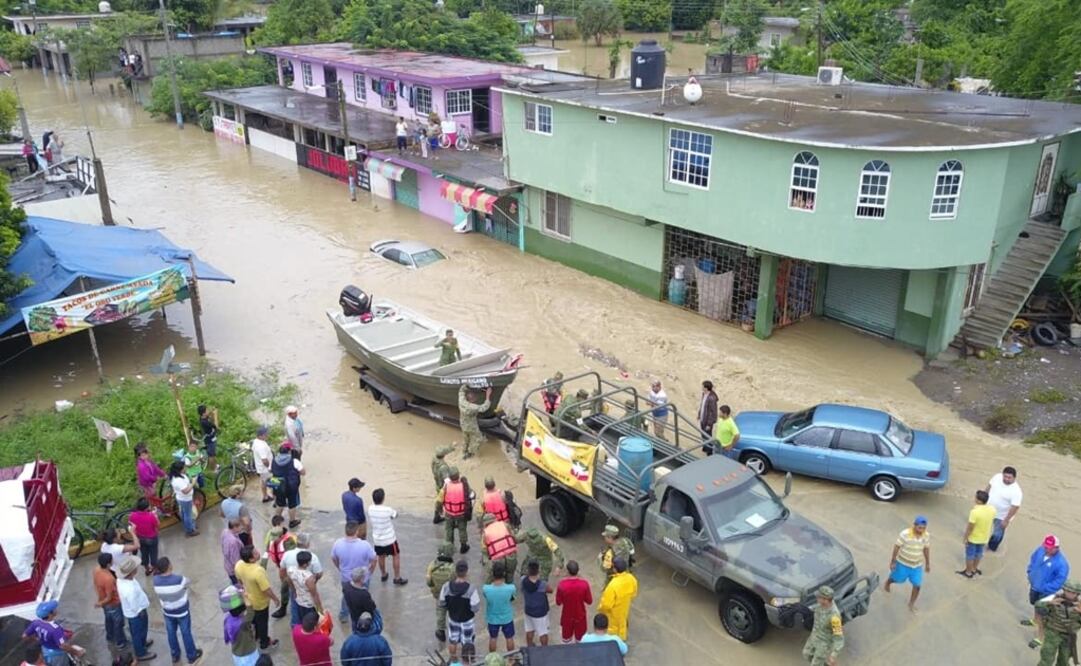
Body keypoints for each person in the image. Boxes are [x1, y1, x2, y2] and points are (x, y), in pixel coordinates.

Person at [152, 556, 203, 665]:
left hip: (167, 611)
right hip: (182, 611)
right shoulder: (179, 579)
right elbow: (188, 582)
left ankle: (175, 655)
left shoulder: (155, 580)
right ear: (169, 566)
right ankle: (192, 655)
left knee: (171, 633)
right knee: (186, 633)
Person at [1025, 534, 1071, 649]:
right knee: (1035, 604)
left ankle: (1041, 638)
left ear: (1057, 548)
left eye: (1049, 548)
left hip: (1046, 593)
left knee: (1044, 614)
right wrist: (1030, 572)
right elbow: (1033, 559)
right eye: (1045, 546)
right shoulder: (1040, 550)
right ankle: (1035, 620)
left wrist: (1045, 588)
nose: (1046, 549)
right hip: (1034, 586)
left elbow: (1059, 581)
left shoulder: (1062, 564)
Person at [234, 545, 280, 651]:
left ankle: (257, 636)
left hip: (248, 600)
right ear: (251, 559)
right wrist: (275, 599)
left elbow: (239, 582)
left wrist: (245, 591)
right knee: (263, 623)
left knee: (254, 620)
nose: (258, 553)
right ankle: (264, 642)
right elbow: (266, 589)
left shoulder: (238, 565)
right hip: (260, 603)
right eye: (255, 553)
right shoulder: (258, 571)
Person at [332, 521, 377, 624]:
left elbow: (333, 558)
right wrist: (370, 571)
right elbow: (374, 559)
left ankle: (344, 615)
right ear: (357, 531)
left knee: (346, 595)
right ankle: (363, 615)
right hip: (362, 577)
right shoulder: (365, 545)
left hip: (346, 577)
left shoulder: (338, 543)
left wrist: (340, 568)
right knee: (363, 595)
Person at [884, 515, 931, 612]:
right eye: (919, 527)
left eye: (923, 528)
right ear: (914, 525)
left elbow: (926, 549)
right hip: (902, 563)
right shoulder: (905, 534)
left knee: (917, 585)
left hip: (916, 566)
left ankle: (911, 603)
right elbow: (897, 547)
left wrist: (927, 563)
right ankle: (888, 582)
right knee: (897, 579)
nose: (921, 530)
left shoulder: (926, 535)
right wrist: (893, 561)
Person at [117, 557, 157, 661]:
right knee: (138, 632)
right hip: (136, 613)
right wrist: (140, 611)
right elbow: (134, 604)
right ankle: (140, 653)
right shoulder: (129, 590)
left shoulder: (122, 580)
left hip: (132, 611)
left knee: (139, 632)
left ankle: (142, 643)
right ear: (131, 572)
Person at [439, 560, 480, 663]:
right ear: (466, 572)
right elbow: (475, 607)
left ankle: (454, 662)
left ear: (455, 572)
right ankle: (467, 662)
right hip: (467, 621)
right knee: (467, 645)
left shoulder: (446, 587)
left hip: (453, 619)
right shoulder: (471, 589)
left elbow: (442, 603)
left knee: (453, 641)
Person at [22, 601, 87, 666]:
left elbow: (24, 636)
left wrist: (37, 639)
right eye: (53, 609)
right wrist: (77, 652)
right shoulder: (55, 629)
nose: (56, 610)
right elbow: (63, 646)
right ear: (50, 614)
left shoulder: (35, 623)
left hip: (45, 650)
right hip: (57, 654)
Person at [92, 552, 130, 662]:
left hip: (104, 602)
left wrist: (100, 599)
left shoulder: (96, 570)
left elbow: (95, 584)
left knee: (108, 620)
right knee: (118, 623)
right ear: (109, 564)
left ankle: (110, 636)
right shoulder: (109, 579)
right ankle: (120, 642)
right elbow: (110, 597)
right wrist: (101, 603)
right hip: (113, 603)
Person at [1035, 579, 1081, 666]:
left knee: (1064, 660)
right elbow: (1038, 604)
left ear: (1077, 594)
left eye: (1073, 592)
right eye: (1068, 591)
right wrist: (1050, 603)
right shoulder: (1055, 597)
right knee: (1046, 658)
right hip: (1052, 633)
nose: (1070, 594)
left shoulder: (1079, 604)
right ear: (1064, 590)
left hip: (1069, 636)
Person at [369, 487, 408, 585]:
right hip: (390, 539)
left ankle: (383, 574)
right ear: (383, 498)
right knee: (396, 555)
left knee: (381, 557)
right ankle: (397, 577)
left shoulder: (370, 509)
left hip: (377, 540)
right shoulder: (387, 510)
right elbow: (395, 515)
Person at [802, 586, 844, 666]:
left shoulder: (834, 617)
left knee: (816, 664)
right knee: (806, 654)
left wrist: (833, 655)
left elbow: (839, 639)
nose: (817, 598)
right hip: (814, 637)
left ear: (825, 600)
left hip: (823, 644)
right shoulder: (820, 605)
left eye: (819, 597)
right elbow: (815, 609)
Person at [597, 557, 637, 642]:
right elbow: (634, 593)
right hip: (624, 610)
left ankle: (614, 645)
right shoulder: (631, 578)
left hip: (613, 614)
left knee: (613, 630)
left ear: (615, 569)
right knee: (622, 626)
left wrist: (600, 609)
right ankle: (622, 641)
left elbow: (606, 605)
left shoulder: (612, 585)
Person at [959, 489, 995, 578]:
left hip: (974, 538)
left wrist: (965, 537)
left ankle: (968, 572)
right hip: (984, 537)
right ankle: (974, 569)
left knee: (970, 555)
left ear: (978, 500)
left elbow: (970, 527)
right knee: (979, 553)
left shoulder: (974, 512)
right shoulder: (992, 509)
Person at [986, 465, 1022, 552]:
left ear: (1014, 478)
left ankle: (991, 548)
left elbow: (1015, 507)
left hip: (1001, 516)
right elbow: (988, 487)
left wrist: (1006, 520)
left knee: (997, 535)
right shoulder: (997, 477)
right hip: (987, 509)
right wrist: (982, 499)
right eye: (1005, 476)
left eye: (1009, 478)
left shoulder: (1016, 491)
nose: (1006, 479)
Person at [221, 586, 260, 666]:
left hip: (236, 653)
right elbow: (251, 612)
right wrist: (244, 597)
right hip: (248, 653)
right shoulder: (243, 623)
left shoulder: (228, 619)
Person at [556, 560, 592, 644]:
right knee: (580, 642)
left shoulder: (562, 585)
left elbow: (558, 602)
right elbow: (589, 601)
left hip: (567, 617)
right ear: (578, 571)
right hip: (580, 616)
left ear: (567, 572)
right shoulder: (584, 584)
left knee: (566, 642)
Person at [484, 560, 516, 652]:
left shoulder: (486, 589)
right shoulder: (511, 588)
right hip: (507, 617)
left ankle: (492, 657)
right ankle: (511, 658)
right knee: (509, 637)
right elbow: (512, 599)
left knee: (493, 638)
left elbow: (486, 596)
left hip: (492, 618)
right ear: (504, 573)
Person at [426, 542, 456, 642]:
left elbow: (429, 582)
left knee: (440, 612)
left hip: (439, 594)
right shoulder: (453, 568)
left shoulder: (432, 566)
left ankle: (441, 631)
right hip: (452, 595)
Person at [271, 443, 305, 528]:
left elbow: (270, 470)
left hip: (278, 485)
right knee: (292, 504)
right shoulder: (294, 461)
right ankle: (292, 521)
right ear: (289, 452)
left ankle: (276, 522)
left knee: (280, 503)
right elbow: (303, 472)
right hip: (291, 486)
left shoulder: (274, 460)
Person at [287, 551, 323, 627]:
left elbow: (290, 581)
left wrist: (294, 591)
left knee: (302, 619)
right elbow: (314, 594)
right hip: (308, 604)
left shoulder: (291, 570)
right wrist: (320, 608)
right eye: (309, 562)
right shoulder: (308, 577)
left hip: (299, 601)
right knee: (311, 622)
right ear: (305, 564)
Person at [522, 560, 552, 647]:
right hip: (540, 612)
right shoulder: (542, 584)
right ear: (538, 570)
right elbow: (550, 590)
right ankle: (544, 649)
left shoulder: (523, 581)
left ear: (528, 570)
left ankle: (530, 645)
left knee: (529, 630)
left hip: (528, 610)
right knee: (543, 633)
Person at [481, 513, 518, 583]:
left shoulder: (485, 533)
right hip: (511, 554)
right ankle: (510, 588)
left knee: (496, 575)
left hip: (497, 558)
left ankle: (495, 589)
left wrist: (487, 562)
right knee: (510, 574)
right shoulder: (504, 524)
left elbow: (484, 550)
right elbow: (513, 537)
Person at [128, 496, 161, 575]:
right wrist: (155, 515)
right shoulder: (151, 516)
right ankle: (155, 569)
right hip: (152, 538)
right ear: (146, 508)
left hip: (140, 538)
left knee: (144, 554)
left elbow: (131, 524)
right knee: (153, 554)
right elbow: (158, 525)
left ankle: (147, 569)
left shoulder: (132, 516)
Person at [442, 467, 471, 553]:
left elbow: (440, 498)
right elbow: (469, 494)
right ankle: (463, 546)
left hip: (449, 513)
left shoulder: (446, 486)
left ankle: (449, 546)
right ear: (458, 476)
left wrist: (439, 509)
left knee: (448, 529)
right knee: (462, 529)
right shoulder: (463, 486)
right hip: (461, 513)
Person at [458, 385, 491, 458]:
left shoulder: (461, 401)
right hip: (471, 426)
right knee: (479, 439)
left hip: (463, 424)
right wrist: (488, 395)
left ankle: (464, 451)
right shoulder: (472, 407)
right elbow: (484, 408)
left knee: (466, 438)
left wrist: (468, 385)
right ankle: (470, 453)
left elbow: (461, 391)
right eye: (475, 398)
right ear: (472, 400)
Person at [169, 459, 200, 537]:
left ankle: (189, 525)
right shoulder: (178, 480)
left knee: (184, 513)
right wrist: (193, 482)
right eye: (184, 468)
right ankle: (190, 531)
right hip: (185, 499)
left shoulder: (177, 476)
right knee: (188, 515)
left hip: (181, 498)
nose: (185, 468)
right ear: (180, 470)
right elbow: (186, 491)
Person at [431, 445, 455, 523]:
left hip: (437, 483)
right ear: (443, 455)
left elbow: (443, 452)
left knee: (439, 500)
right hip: (443, 486)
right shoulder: (443, 467)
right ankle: (449, 517)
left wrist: (452, 447)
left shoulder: (434, 459)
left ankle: (437, 515)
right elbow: (447, 481)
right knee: (446, 501)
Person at [252, 426, 275, 503]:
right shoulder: (261, 446)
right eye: (266, 434)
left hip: (260, 469)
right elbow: (264, 460)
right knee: (273, 483)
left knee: (263, 482)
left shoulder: (257, 441)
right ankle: (276, 498)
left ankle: (265, 496)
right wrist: (269, 467)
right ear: (260, 435)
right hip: (265, 469)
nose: (267, 435)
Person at [221, 518, 246, 584]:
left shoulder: (225, 531)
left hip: (227, 565)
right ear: (235, 527)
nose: (242, 528)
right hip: (234, 570)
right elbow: (235, 560)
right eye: (241, 526)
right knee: (241, 587)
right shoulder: (233, 542)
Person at [197, 404, 219, 470]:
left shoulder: (203, 418)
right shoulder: (204, 422)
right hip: (210, 440)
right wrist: (215, 415)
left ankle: (216, 466)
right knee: (211, 456)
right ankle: (214, 469)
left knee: (213, 454)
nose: (208, 411)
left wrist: (211, 413)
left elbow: (210, 420)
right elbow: (216, 426)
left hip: (210, 439)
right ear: (203, 413)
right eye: (207, 410)